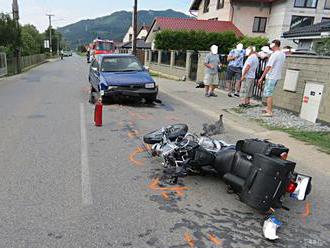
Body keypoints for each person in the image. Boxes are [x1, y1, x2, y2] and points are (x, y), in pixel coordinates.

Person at [258, 40, 286, 117]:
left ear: (274, 45)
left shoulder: (275, 55)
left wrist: (261, 77)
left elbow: (268, 66)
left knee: (268, 94)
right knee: (269, 92)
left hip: (271, 76)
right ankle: (268, 108)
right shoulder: (282, 54)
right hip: (277, 76)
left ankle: (269, 111)